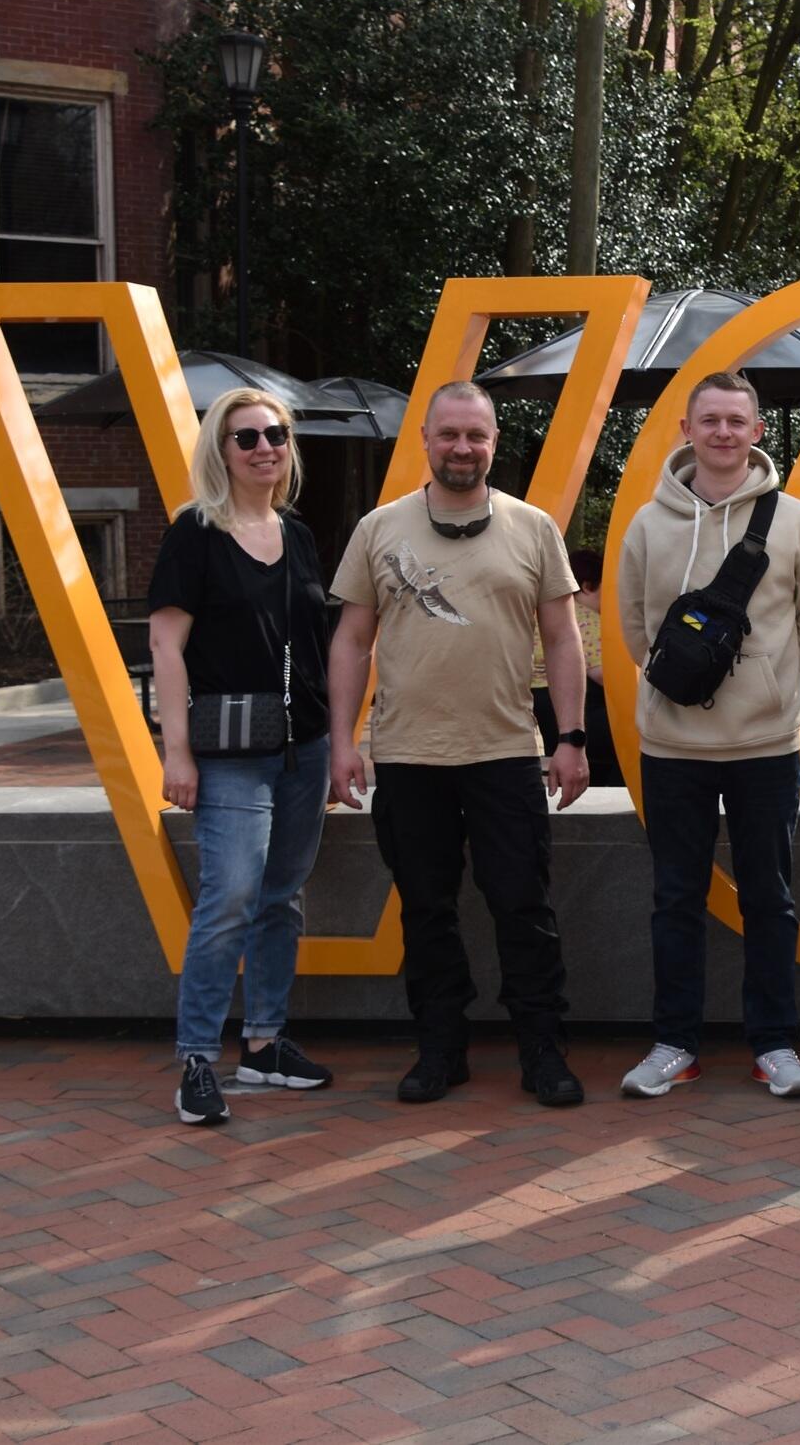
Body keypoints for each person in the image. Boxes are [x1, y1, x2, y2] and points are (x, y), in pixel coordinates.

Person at [326, 381, 592, 1107]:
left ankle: (543, 1048)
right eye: (449, 434)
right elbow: (351, 639)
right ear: (426, 438)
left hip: (506, 751)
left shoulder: (533, 528)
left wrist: (570, 736)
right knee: (425, 909)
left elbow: (564, 638)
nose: (462, 447)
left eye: (475, 435)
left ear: (495, 440)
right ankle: (440, 1048)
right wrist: (342, 742)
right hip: (409, 755)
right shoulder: (380, 529)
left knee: (523, 907)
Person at [615, 371, 800, 1101]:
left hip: (765, 747)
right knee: (674, 897)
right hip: (671, 746)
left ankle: (774, 1044)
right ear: (686, 430)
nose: (721, 431)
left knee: (769, 897)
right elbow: (633, 626)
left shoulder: (795, 522)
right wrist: (684, 677)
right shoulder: (649, 524)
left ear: (756, 431)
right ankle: (674, 1042)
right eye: (707, 419)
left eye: (734, 420)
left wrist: (772, 687)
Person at [148, 388, 335, 1125]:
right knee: (225, 900)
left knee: (281, 896)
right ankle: (197, 1056)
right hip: (227, 753)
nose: (264, 447)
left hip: (304, 746)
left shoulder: (298, 534)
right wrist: (177, 752)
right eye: (246, 436)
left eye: (276, 434)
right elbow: (165, 644)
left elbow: (320, 643)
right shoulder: (195, 531)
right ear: (220, 451)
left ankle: (263, 1043)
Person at [533, 547, 622, 786]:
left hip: (541, 706)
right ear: (587, 585)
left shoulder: (545, 613)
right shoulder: (586, 619)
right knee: (629, 735)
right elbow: (605, 675)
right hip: (574, 710)